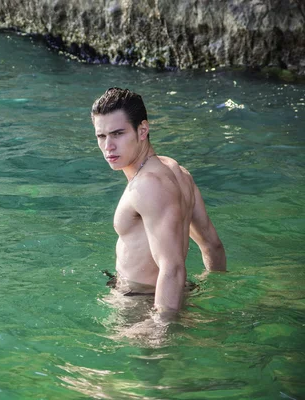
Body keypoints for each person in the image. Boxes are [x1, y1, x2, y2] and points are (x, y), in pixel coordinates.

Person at [92, 87, 226, 317]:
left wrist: (160, 330)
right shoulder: (177, 171)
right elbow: (212, 246)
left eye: (118, 134)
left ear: (142, 130)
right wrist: (216, 293)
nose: (108, 146)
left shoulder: (148, 185)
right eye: (101, 136)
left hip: (143, 306)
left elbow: (172, 268)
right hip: (166, 297)